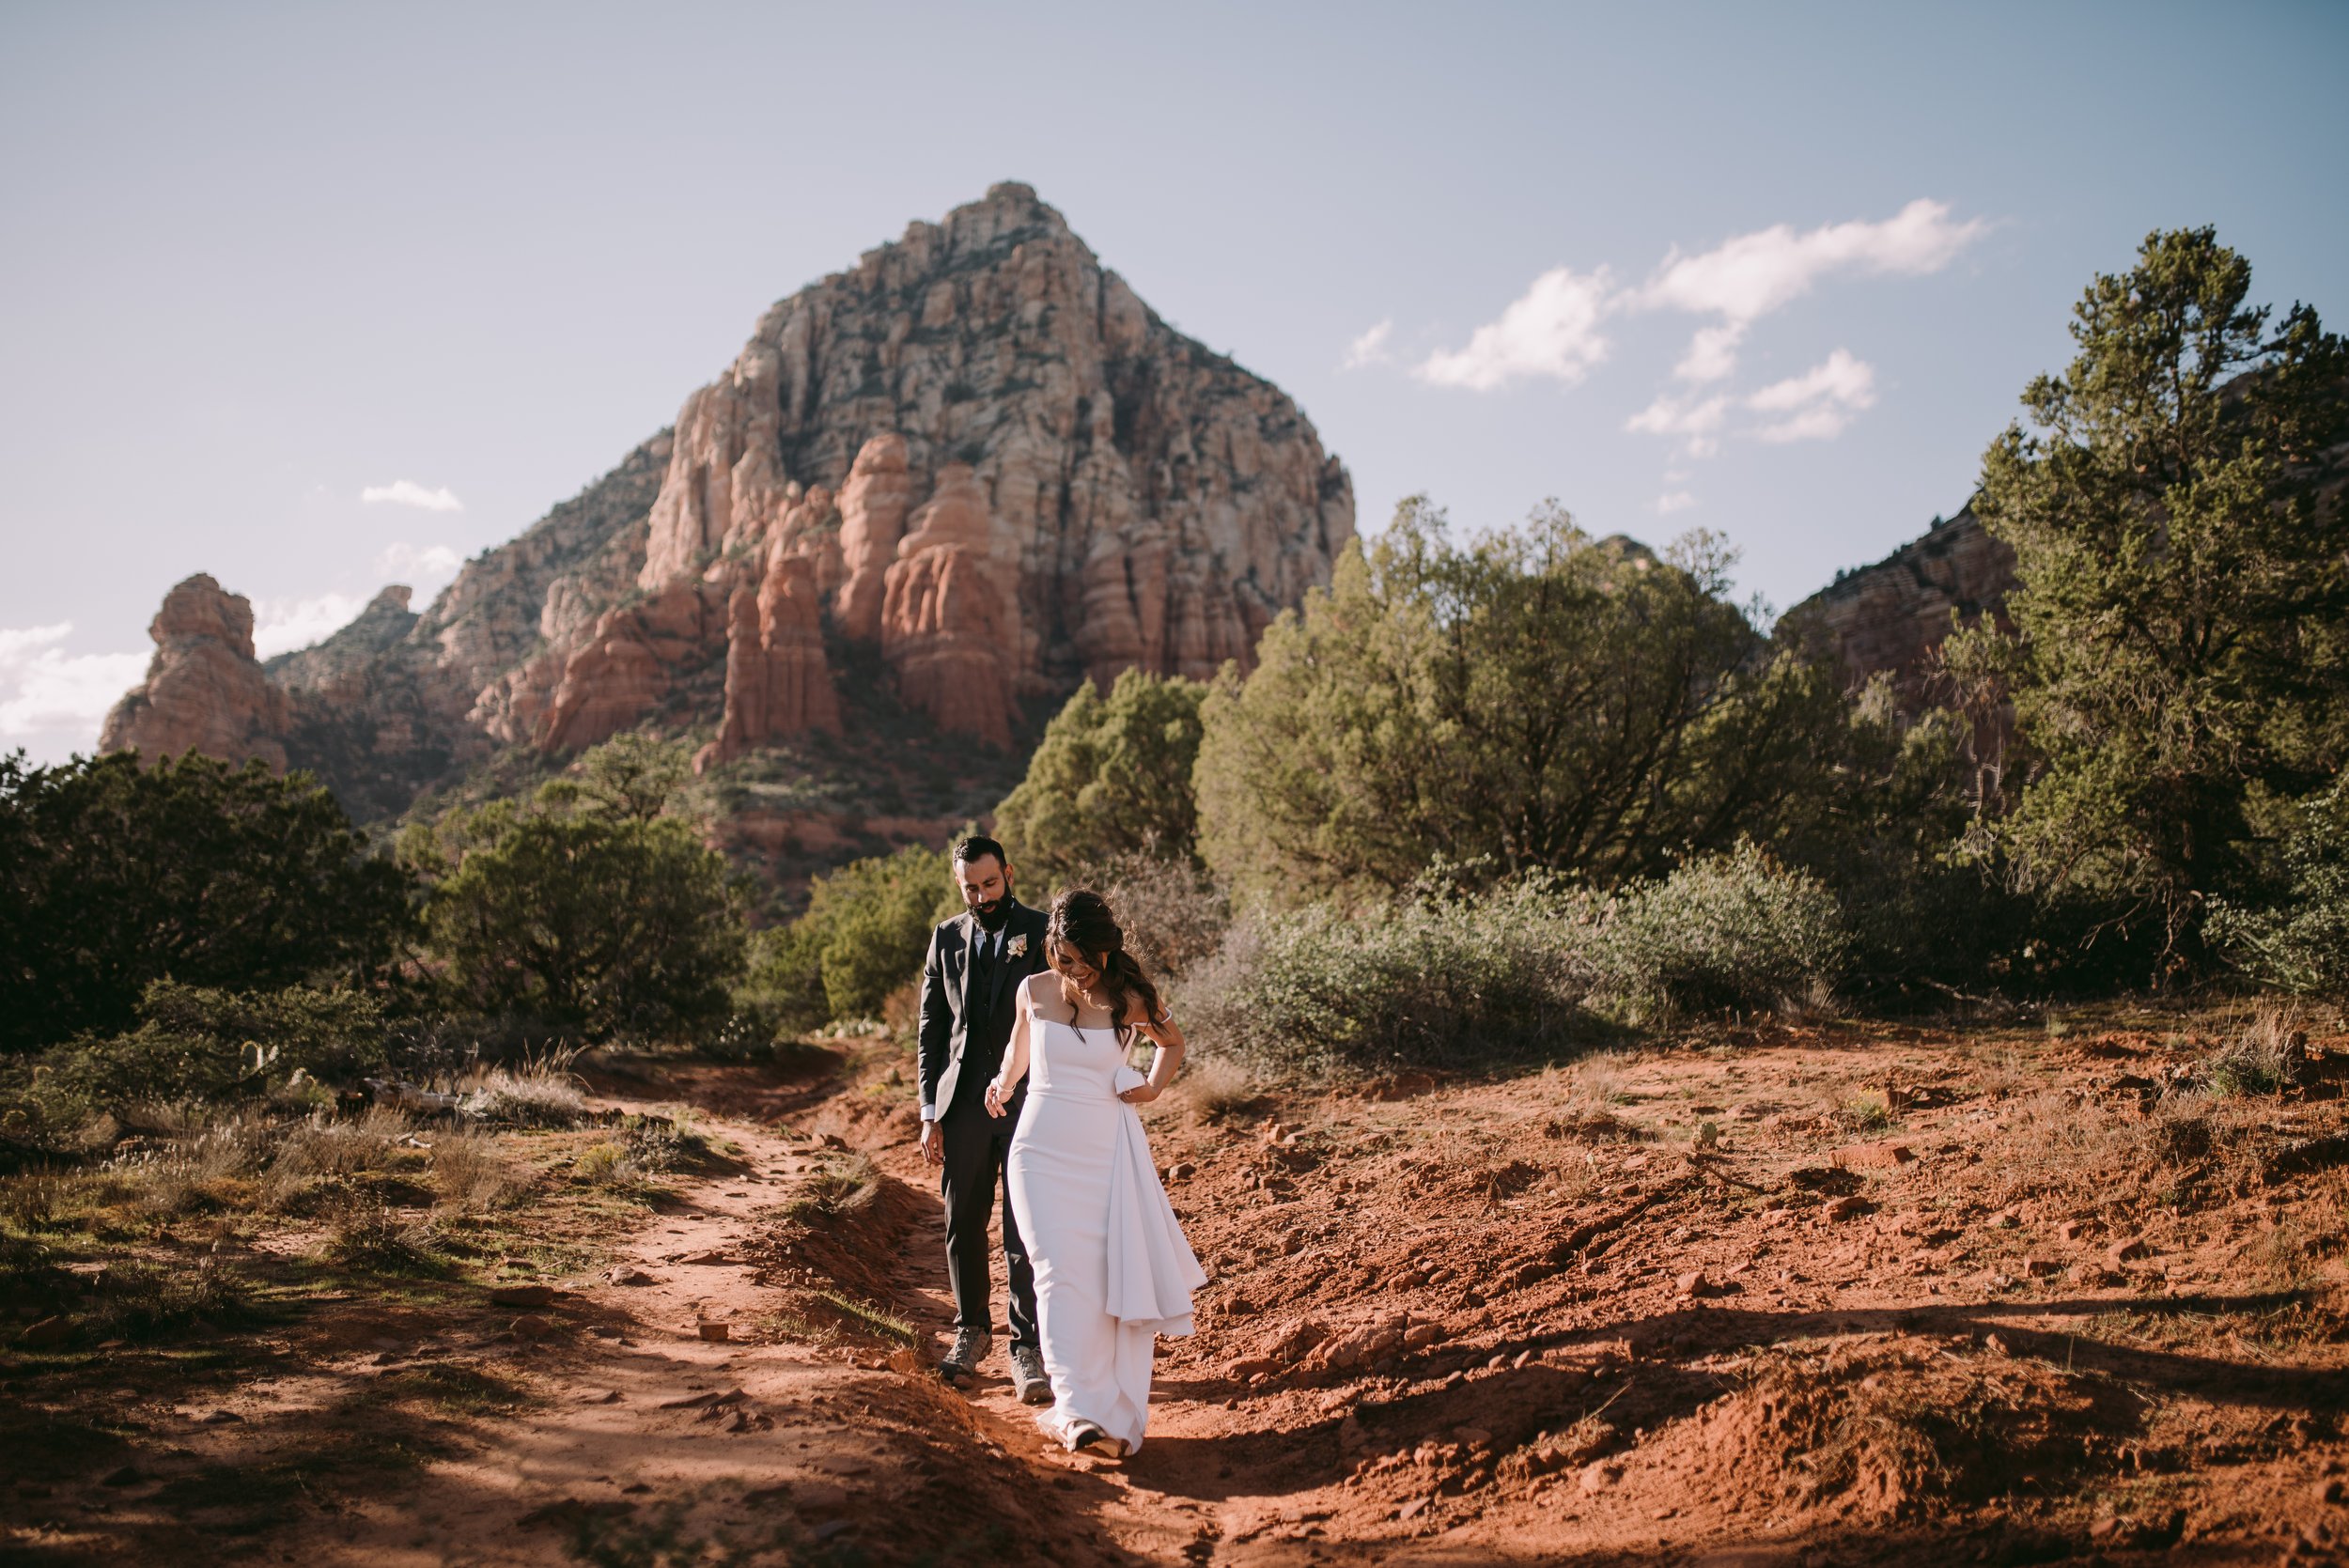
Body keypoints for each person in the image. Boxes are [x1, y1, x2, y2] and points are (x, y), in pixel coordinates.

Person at [985, 889, 1206, 1457]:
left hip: (1106, 1151)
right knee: (1056, 1273)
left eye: (1084, 959)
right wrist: (1002, 1086)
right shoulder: (1033, 988)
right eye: (1063, 956)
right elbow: (1019, 1046)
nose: (1074, 969)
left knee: (1102, 1279)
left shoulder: (1130, 999)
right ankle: (1077, 1409)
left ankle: (1103, 1408)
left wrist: (1153, 1087)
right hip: (1039, 1149)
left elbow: (1173, 1042)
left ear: (1105, 951)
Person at [917, 834, 1050, 1400]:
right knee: (962, 1222)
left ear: (1009, 873)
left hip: (1029, 1101)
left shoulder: (1044, 931)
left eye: (990, 884)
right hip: (964, 1103)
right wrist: (931, 1112)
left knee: (1024, 1227)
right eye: (970, 887)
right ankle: (971, 1332)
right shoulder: (946, 937)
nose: (981, 895)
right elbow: (930, 1029)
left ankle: (1028, 1348)